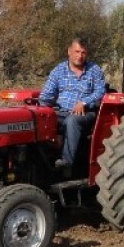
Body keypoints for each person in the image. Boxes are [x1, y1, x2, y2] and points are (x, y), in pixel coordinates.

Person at [39, 37, 107, 171]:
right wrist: (42, 108)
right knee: (39, 120)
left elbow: (101, 92)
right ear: (69, 52)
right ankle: (41, 161)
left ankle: (66, 162)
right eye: (77, 52)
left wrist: (84, 102)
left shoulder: (94, 70)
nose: (79, 56)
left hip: (86, 113)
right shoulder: (59, 70)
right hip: (61, 111)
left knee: (72, 120)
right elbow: (46, 95)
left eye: (83, 53)